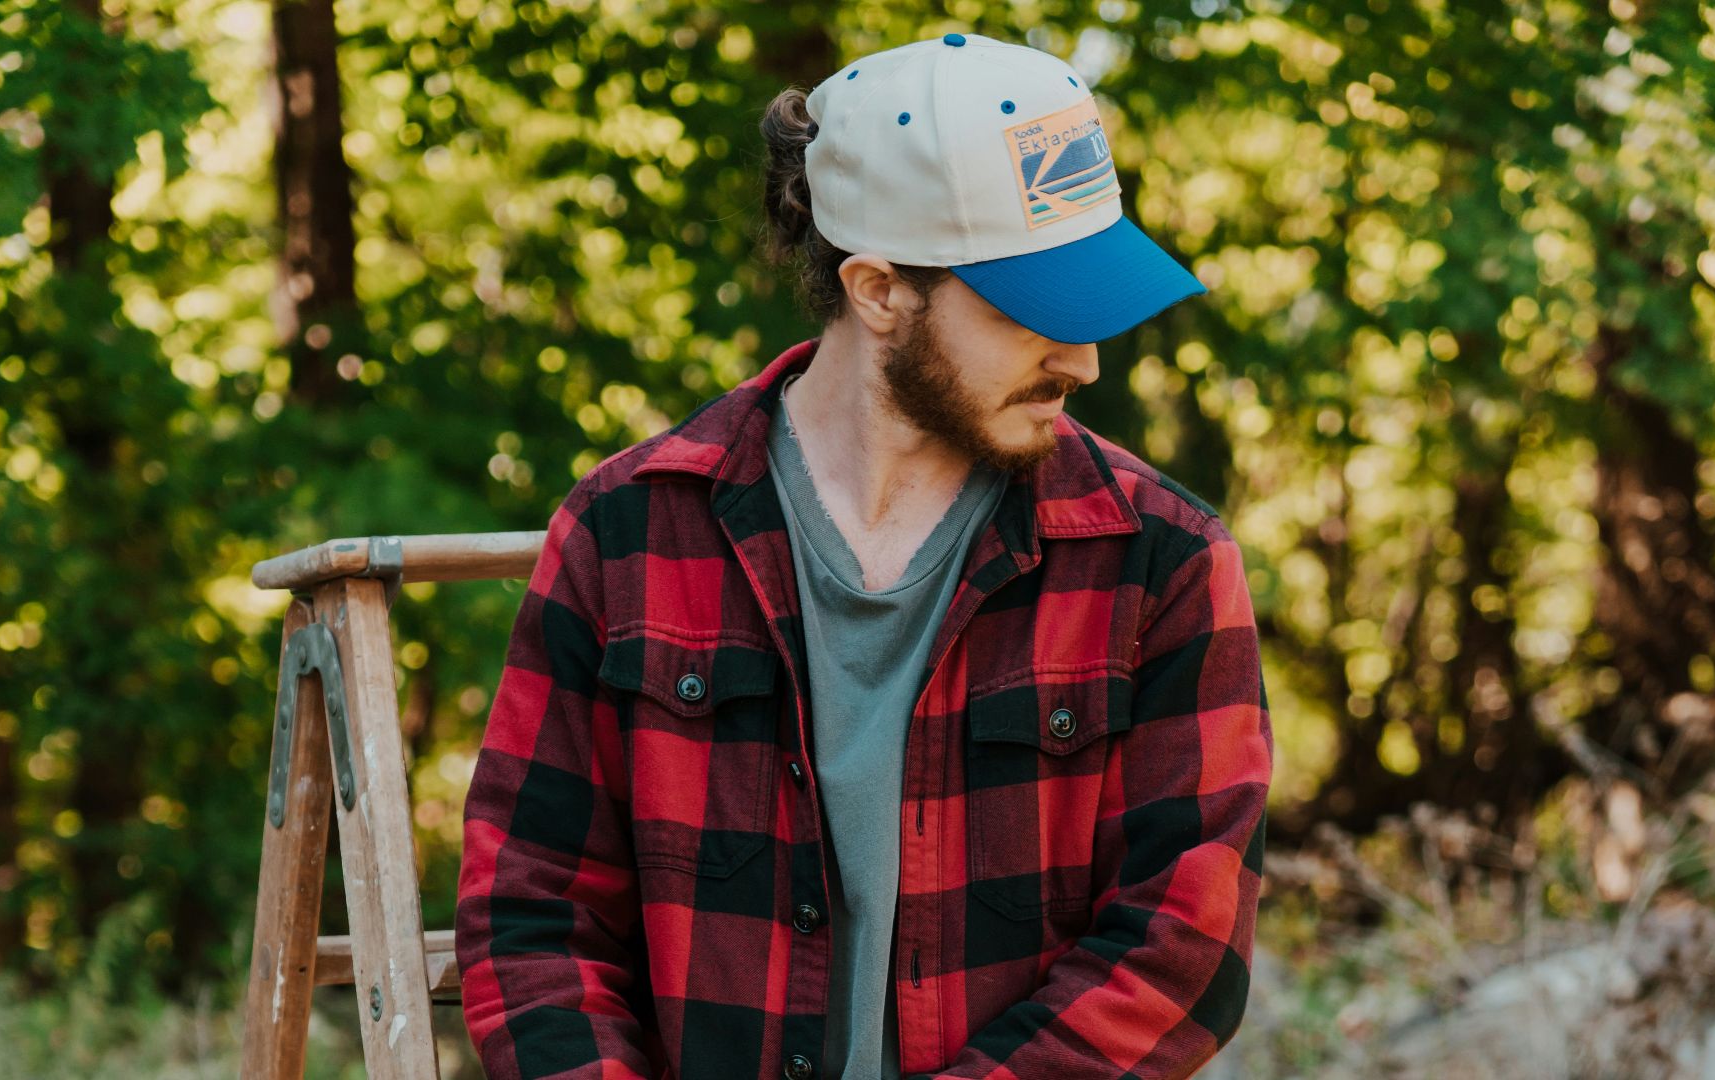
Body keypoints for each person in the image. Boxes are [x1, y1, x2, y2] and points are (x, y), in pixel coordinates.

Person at [457, 32, 1273, 1080]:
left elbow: (1183, 948)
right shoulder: (628, 533)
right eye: (1035, 311)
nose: (1084, 360)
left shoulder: (1161, 563)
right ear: (879, 290)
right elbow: (533, 918)